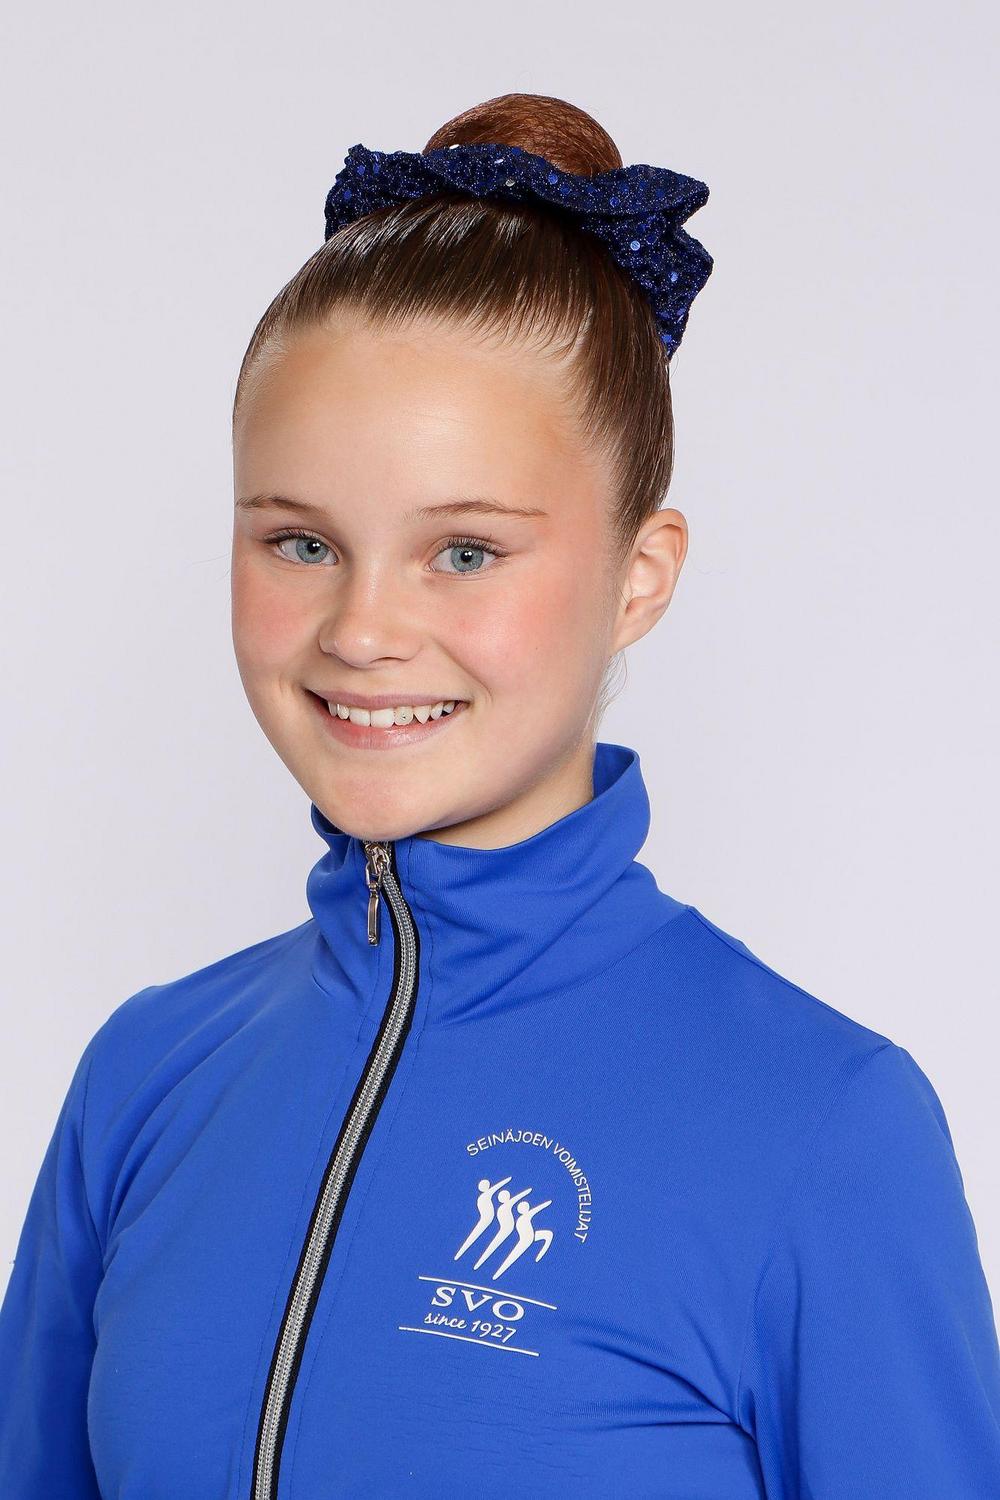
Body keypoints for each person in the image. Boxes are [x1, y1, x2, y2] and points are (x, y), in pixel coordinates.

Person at [1, 91, 998, 1500]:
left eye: (464, 552)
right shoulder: (146, 1075)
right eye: (299, 543)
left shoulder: (828, 1127)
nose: (362, 630)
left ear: (641, 577)